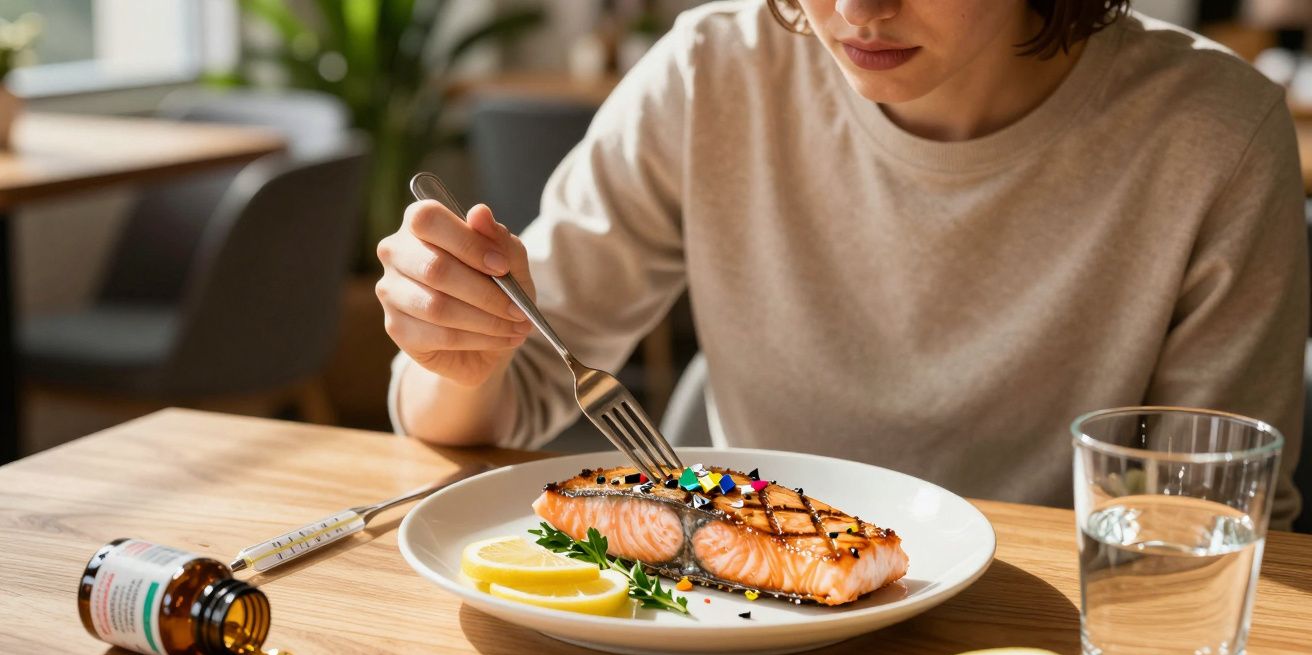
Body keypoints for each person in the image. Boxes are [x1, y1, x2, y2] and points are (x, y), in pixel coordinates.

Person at [376, 0, 1309, 528]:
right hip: (743, 620)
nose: (858, 9)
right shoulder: (713, 72)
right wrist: (455, 351)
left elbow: (1214, 520)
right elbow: (490, 408)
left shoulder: (1213, 137)